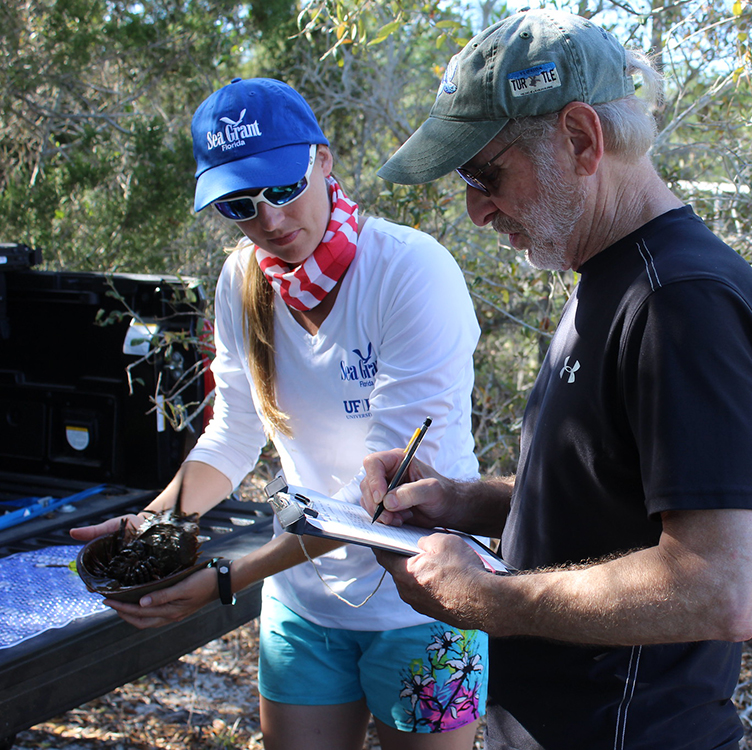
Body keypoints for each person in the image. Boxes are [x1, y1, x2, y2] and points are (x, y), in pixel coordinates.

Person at [358, 10, 752, 750]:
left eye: (485, 174)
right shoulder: (612, 276)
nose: (476, 209)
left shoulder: (681, 299)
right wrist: (466, 502)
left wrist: (491, 599)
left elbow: (724, 587)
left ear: (582, 139)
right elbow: (616, 505)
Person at [71, 78, 488, 750]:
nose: (268, 219)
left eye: (283, 187)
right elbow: (235, 432)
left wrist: (229, 578)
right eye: (239, 202)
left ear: (323, 160)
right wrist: (154, 521)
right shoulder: (242, 283)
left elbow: (386, 500)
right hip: (301, 605)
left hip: (424, 600)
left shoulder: (412, 273)